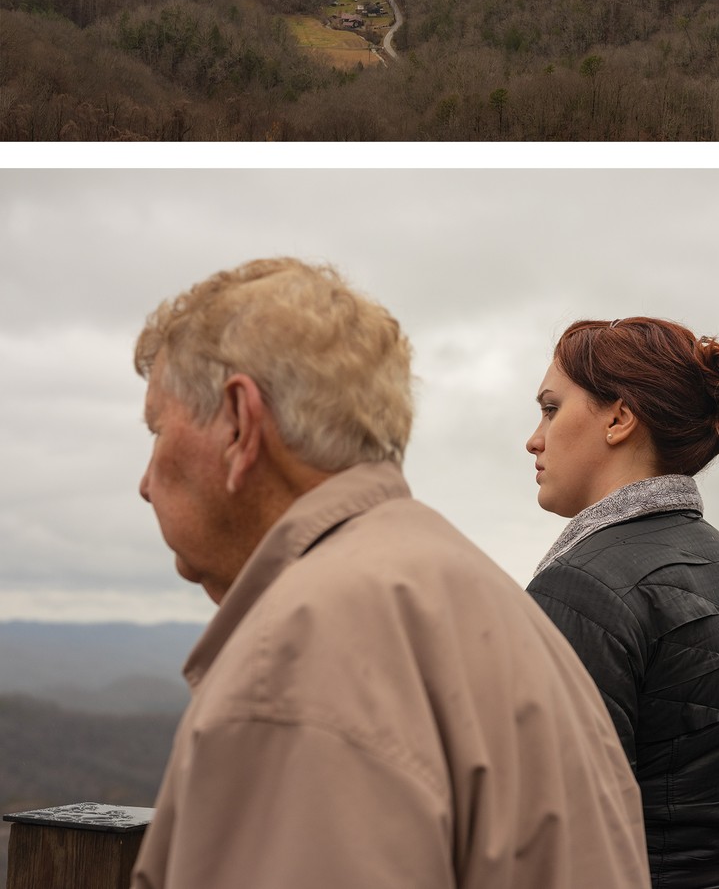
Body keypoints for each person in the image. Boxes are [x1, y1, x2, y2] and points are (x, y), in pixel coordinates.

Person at [131, 258, 651, 889]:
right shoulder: (475, 592)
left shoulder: (303, 653)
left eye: (158, 428)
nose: (144, 483)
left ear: (240, 424)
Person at [525, 316, 719, 889]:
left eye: (550, 409)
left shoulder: (577, 588)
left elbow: (552, 833)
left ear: (619, 418)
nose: (534, 439)